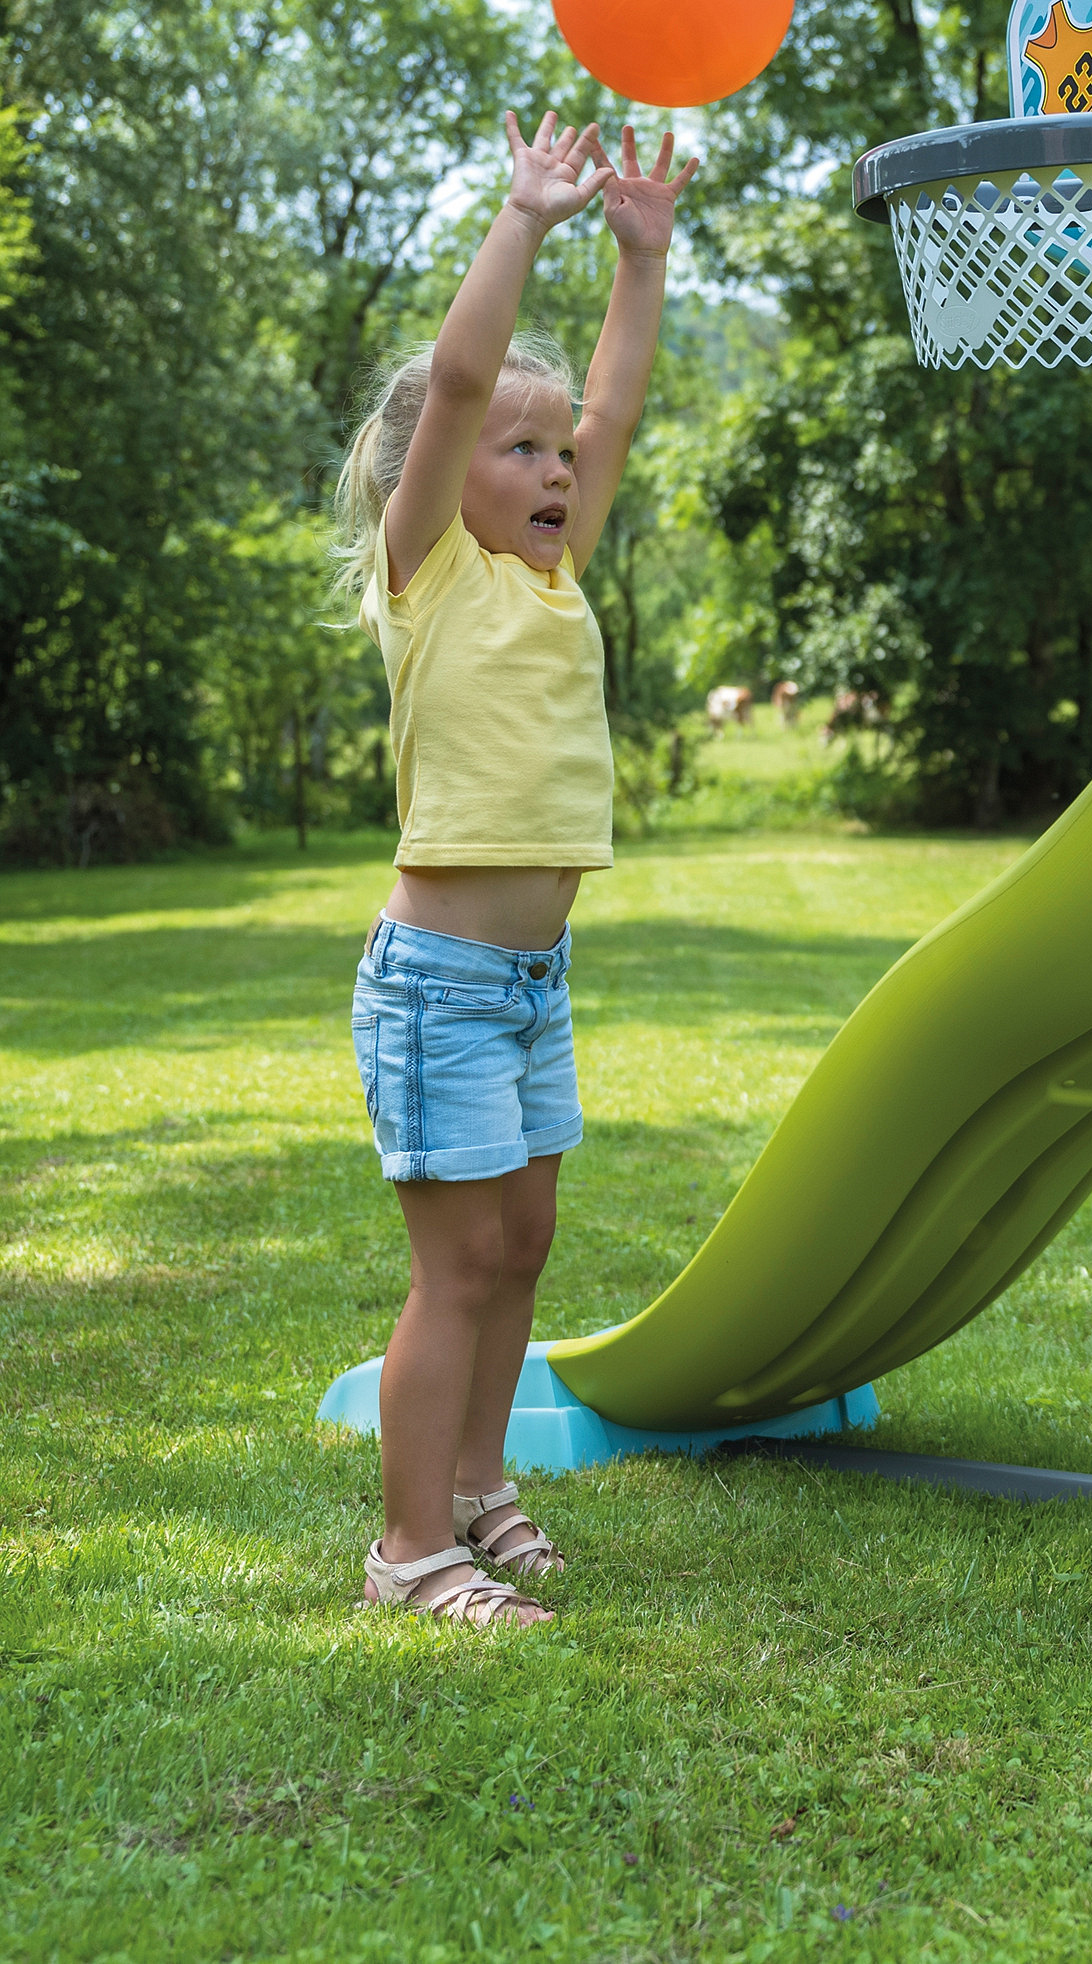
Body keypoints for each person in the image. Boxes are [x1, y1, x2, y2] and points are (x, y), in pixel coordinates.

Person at [333, 111, 696, 1626]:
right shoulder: (429, 574)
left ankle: (480, 1485)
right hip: (439, 984)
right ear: (440, 470)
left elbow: (611, 406)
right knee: (461, 1264)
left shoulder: (554, 578)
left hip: (534, 981)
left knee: (525, 1244)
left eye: (563, 459)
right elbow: (462, 379)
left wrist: (642, 257)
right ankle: (409, 1551)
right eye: (522, 451)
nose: (557, 470)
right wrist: (526, 220)